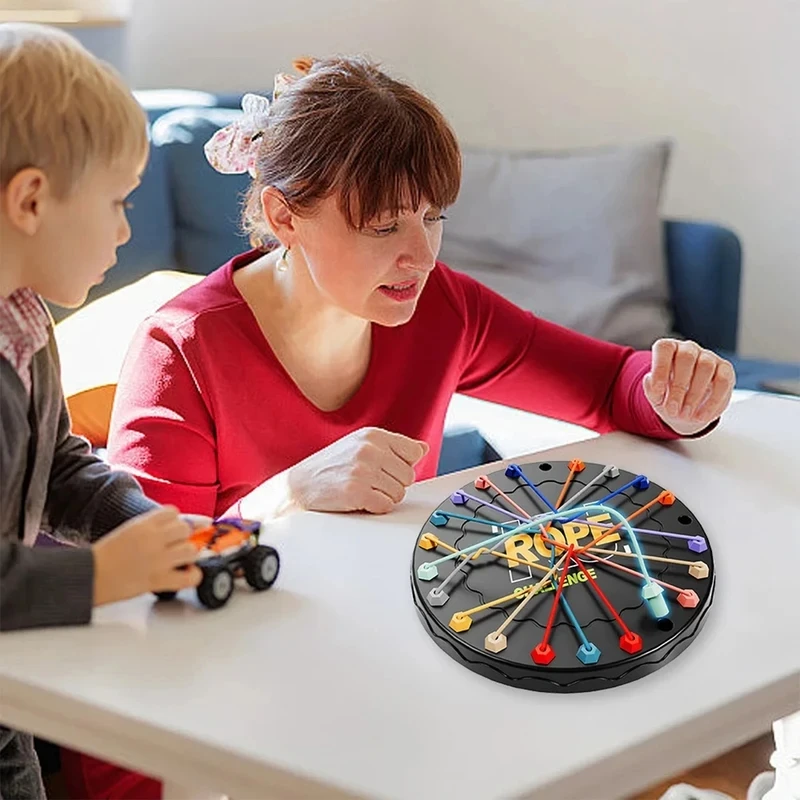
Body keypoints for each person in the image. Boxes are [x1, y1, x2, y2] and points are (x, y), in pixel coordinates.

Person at [67, 56, 737, 798]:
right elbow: (137, 594)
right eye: (384, 225)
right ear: (285, 216)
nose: (419, 255)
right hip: (224, 711)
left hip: (387, 673)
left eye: (432, 216)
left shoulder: (439, 308)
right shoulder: (184, 347)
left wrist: (677, 398)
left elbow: (610, 384)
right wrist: (287, 492)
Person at [0, 23, 203, 798]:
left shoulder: (26, 321)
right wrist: (95, 577)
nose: (126, 229)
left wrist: (133, 519)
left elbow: (57, 464)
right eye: (117, 201)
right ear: (31, 199)